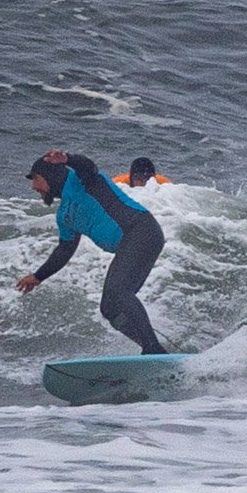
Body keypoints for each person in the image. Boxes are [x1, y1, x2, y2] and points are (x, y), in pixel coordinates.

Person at [16, 149, 167, 354]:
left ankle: (152, 349)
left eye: (36, 179)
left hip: (141, 231)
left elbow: (88, 166)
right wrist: (38, 276)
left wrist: (68, 159)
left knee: (119, 291)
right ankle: (153, 350)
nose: (34, 187)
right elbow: (66, 248)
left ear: (50, 176)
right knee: (109, 308)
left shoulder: (82, 180)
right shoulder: (64, 215)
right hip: (130, 243)